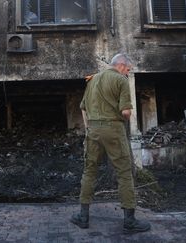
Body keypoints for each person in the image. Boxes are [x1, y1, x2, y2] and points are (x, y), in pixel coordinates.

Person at [70, 54, 151, 233]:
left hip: (93, 130)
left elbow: (83, 108)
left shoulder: (92, 80)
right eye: (128, 69)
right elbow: (126, 112)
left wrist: (89, 128)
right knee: (124, 172)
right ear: (121, 66)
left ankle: (83, 217)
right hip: (113, 130)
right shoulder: (121, 81)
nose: (128, 73)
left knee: (89, 171)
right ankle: (129, 221)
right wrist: (124, 115)